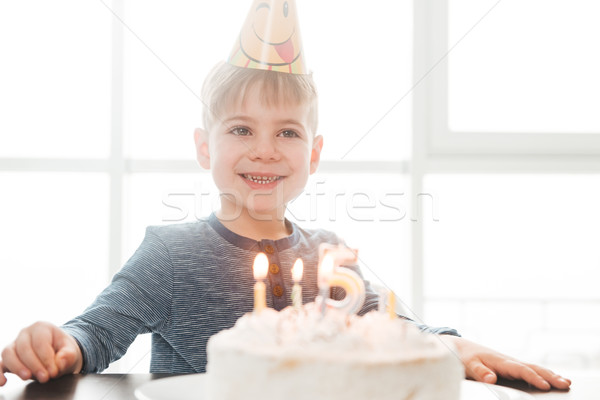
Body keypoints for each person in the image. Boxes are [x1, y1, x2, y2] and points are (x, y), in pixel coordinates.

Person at [0, 0, 571, 391]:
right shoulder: (169, 253)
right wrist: (62, 345)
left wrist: (455, 346)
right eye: (242, 130)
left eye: (288, 133)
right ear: (205, 147)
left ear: (314, 153)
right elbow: (98, 332)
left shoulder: (330, 255)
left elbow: (397, 326)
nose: (266, 151)